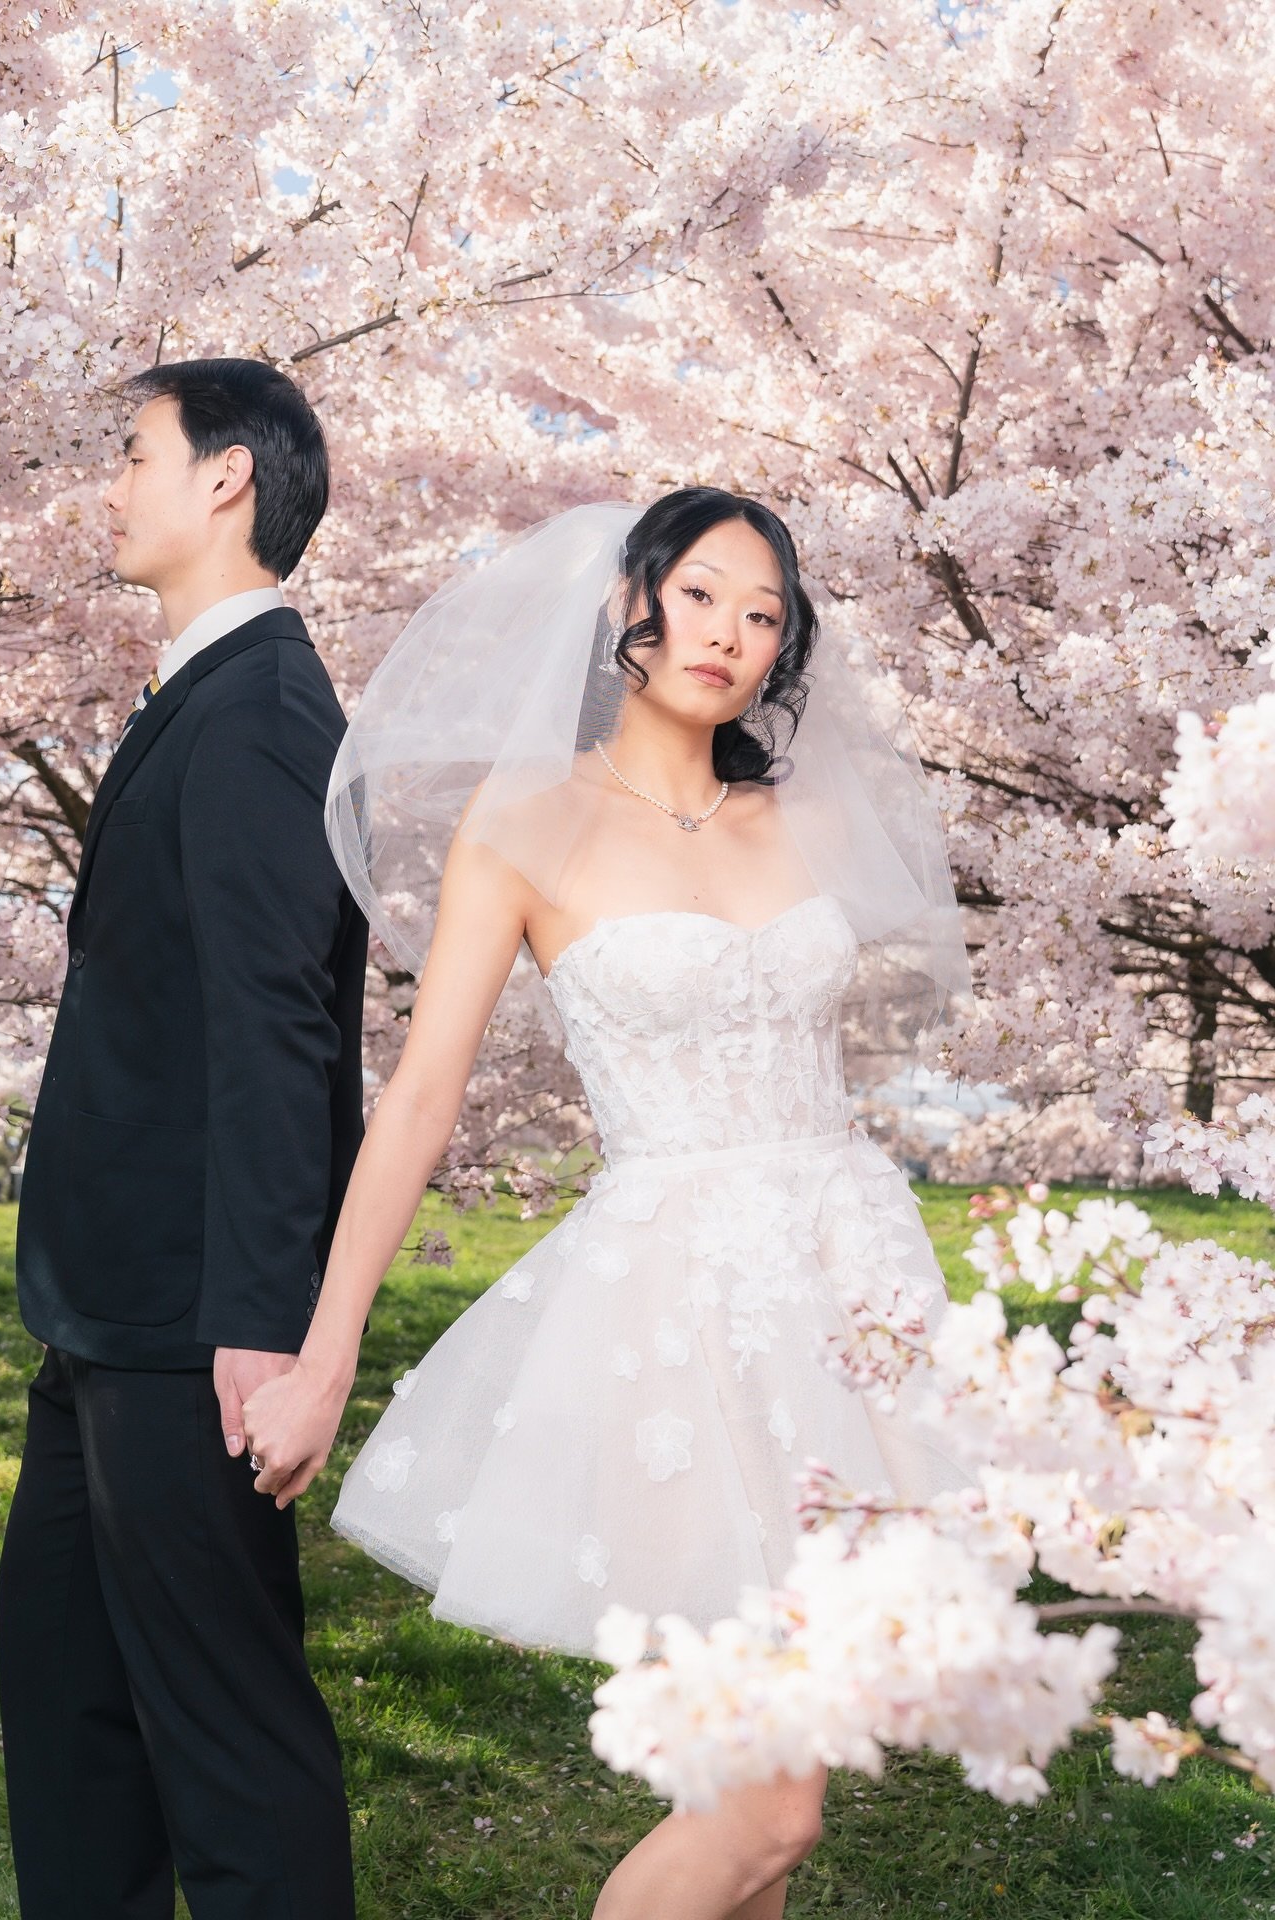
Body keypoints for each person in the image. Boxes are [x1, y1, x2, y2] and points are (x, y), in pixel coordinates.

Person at [242, 490, 972, 1920]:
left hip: (849, 1294)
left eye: (763, 615)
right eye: (699, 595)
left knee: (756, 1810)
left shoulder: (809, 815)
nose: (728, 635)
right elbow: (422, 1099)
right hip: (673, 1316)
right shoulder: (528, 824)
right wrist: (326, 1359)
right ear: (629, 602)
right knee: (768, 1801)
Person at [0, 358, 365, 1919]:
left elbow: (281, 1032)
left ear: (227, 479)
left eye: (135, 452)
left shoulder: (263, 712)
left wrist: (263, 1329)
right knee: (67, 1713)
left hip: (190, 1331)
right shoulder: (203, 696)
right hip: (102, 1316)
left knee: (231, 1743)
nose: (111, 485)